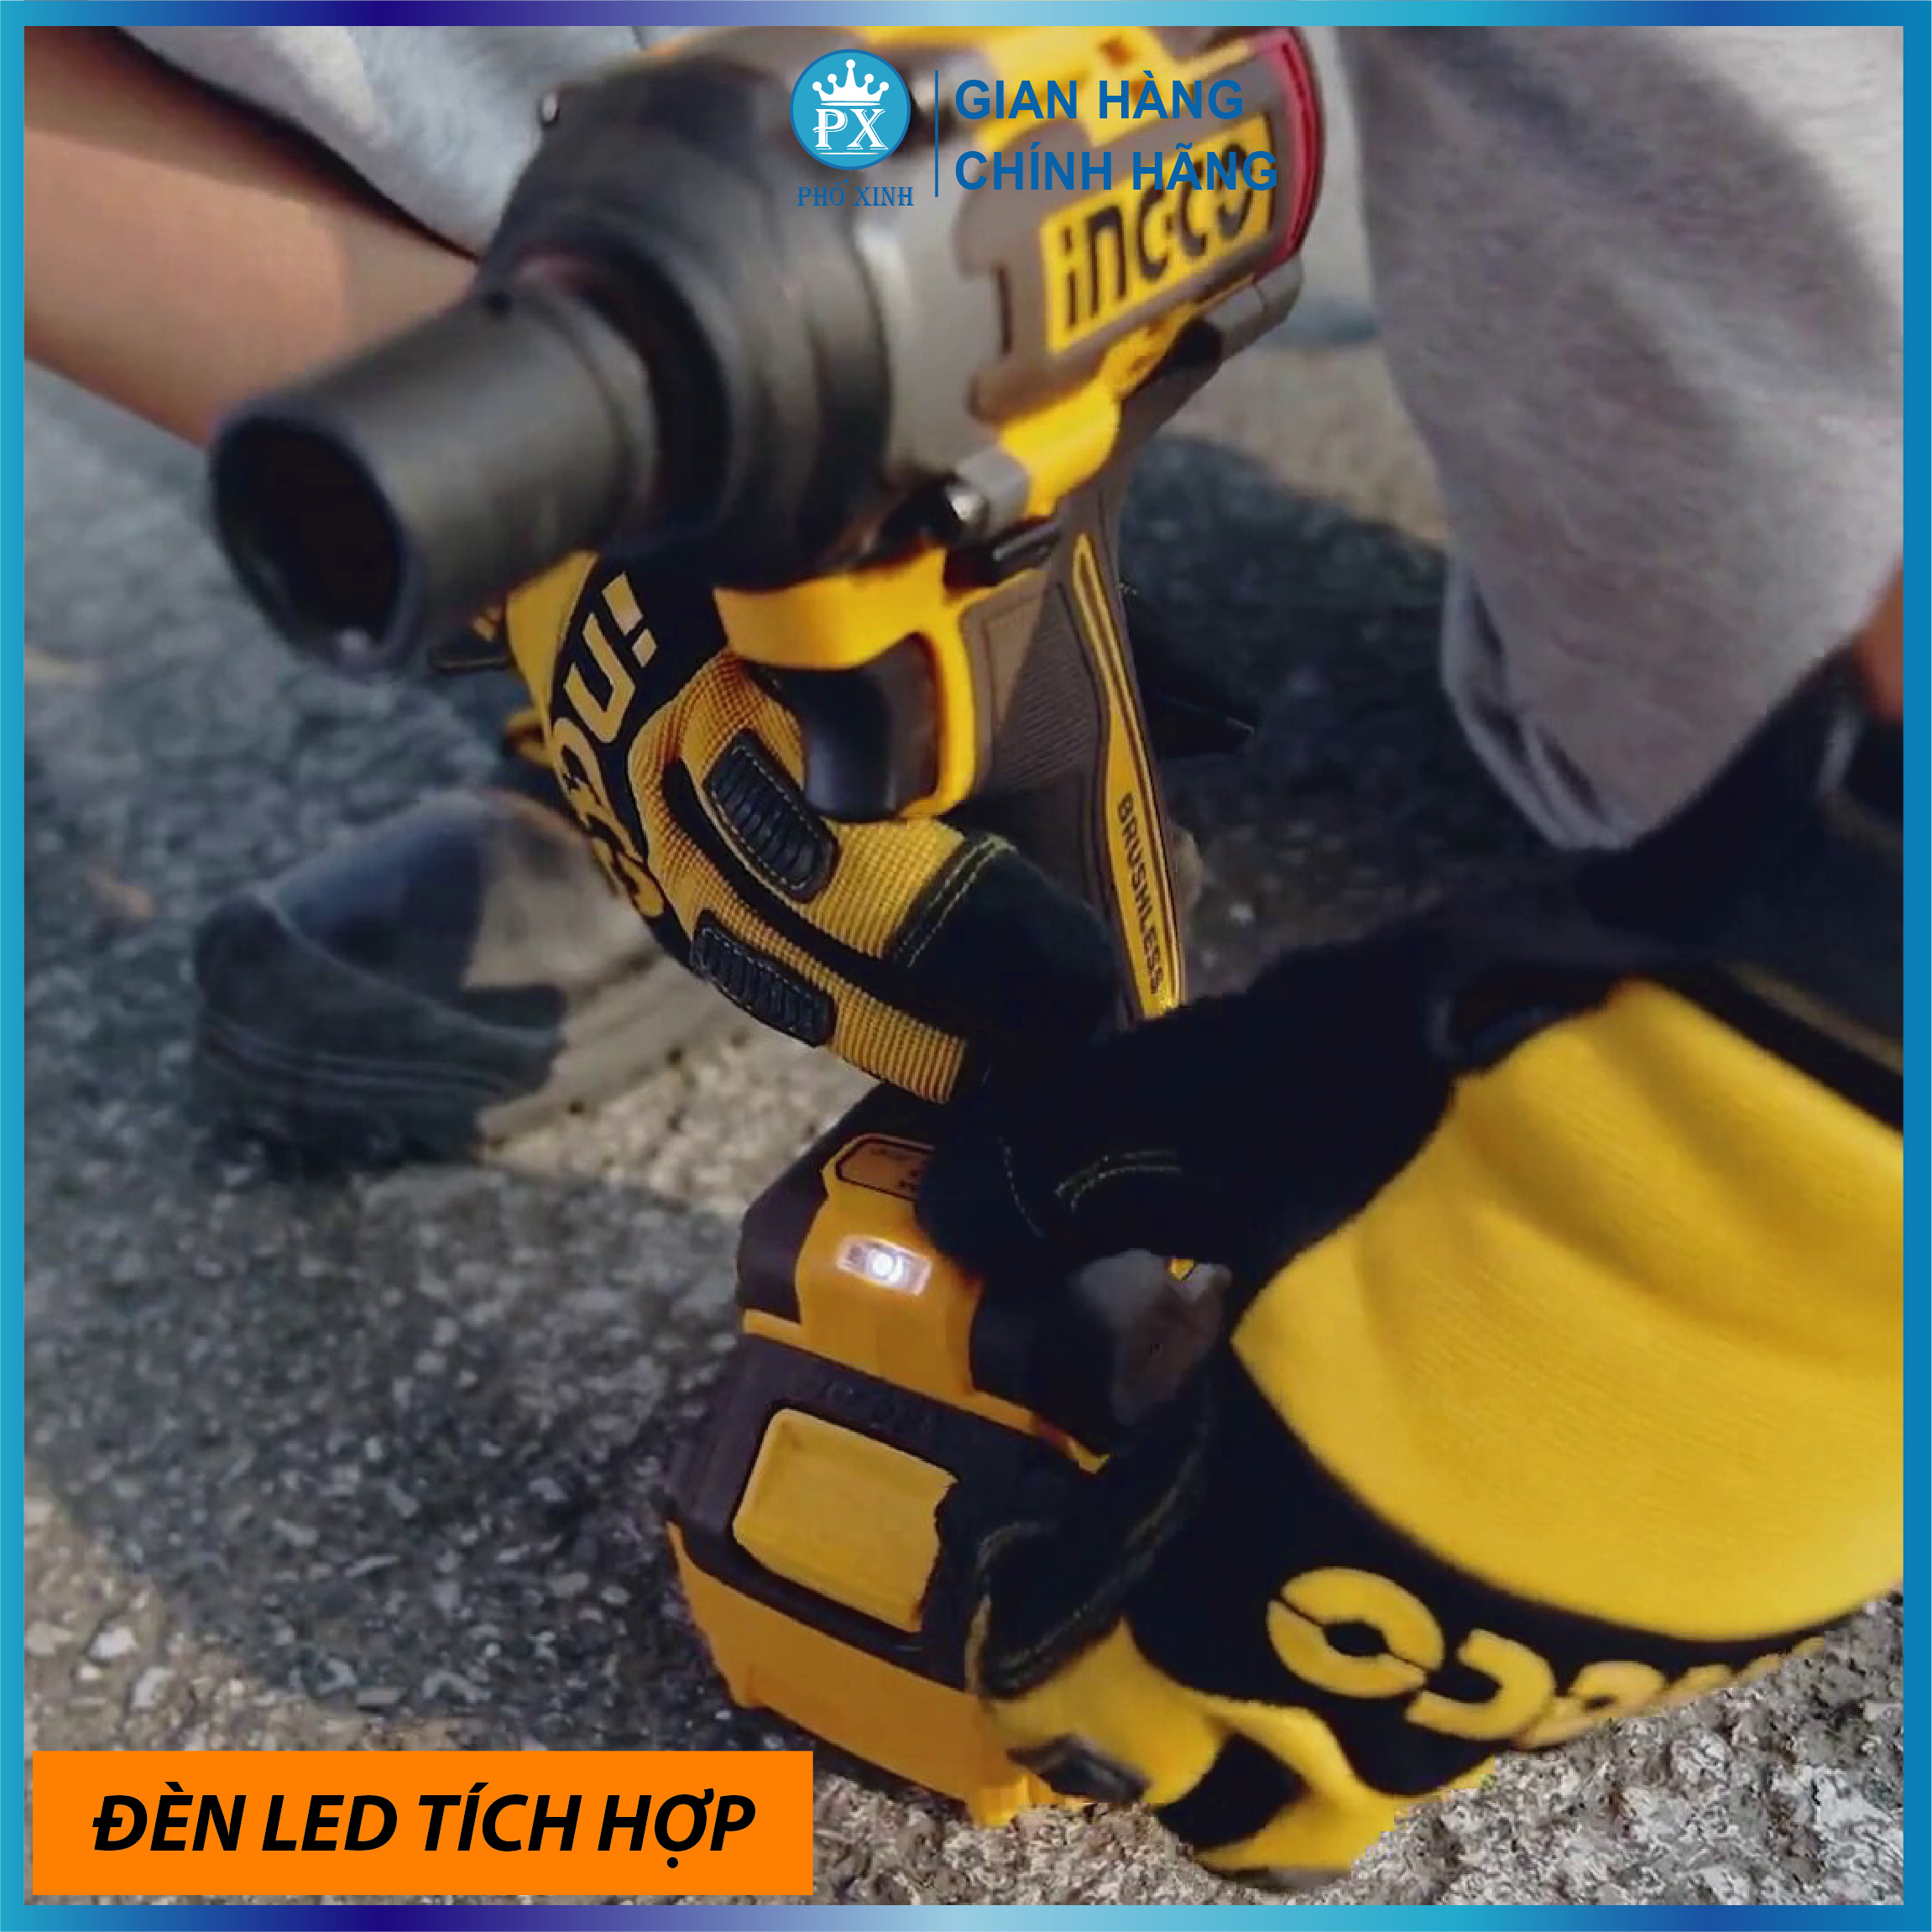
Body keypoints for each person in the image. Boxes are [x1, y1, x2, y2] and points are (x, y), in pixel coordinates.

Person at [25, 24, 1901, 1890]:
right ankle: (714, 484)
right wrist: (574, 564)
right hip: (750, 222)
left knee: (1742, 729)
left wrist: (1820, 1118)